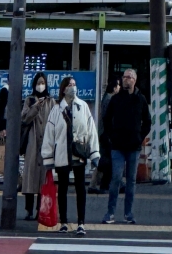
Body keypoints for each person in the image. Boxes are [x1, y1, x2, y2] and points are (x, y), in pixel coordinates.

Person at [41, 74, 100, 236]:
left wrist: (94, 153)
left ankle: (81, 223)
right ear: (63, 89)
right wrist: (48, 157)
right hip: (61, 154)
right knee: (63, 188)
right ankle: (64, 222)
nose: (73, 87)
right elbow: (49, 134)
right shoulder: (56, 109)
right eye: (69, 85)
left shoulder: (83, 106)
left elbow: (91, 131)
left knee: (81, 188)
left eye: (74, 84)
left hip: (78, 153)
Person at [102, 66, 151, 225]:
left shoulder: (140, 99)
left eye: (129, 77)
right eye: (124, 77)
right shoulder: (115, 99)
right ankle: (110, 212)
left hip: (134, 146)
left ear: (135, 80)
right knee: (116, 178)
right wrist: (111, 136)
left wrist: (140, 137)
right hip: (117, 145)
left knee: (131, 180)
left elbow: (148, 121)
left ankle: (128, 213)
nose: (126, 79)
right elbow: (106, 119)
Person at [22, 72, 56, 221]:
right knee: (30, 176)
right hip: (32, 141)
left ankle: (39, 209)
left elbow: (56, 120)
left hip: (46, 143)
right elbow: (24, 118)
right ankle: (28, 209)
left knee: (43, 177)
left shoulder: (51, 101)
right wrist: (35, 107)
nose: (40, 85)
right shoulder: (29, 100)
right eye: (38, 82)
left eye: (43, 82)